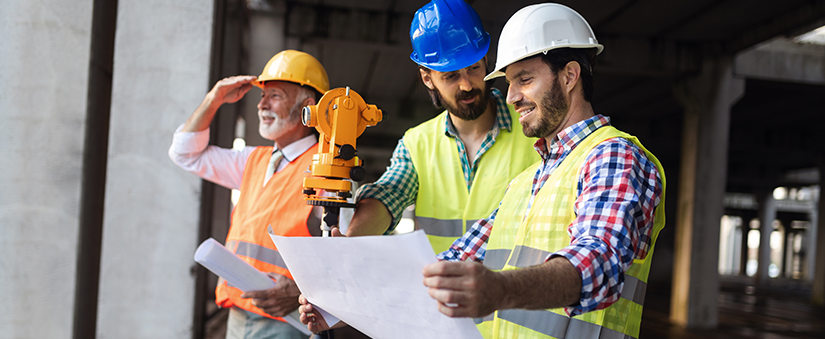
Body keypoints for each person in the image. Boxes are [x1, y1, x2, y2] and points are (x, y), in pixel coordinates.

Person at [422, 3, 666, 339]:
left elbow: (598, 264)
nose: (510, 97)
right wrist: (338, 308)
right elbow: (450, 264)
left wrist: (500, 290)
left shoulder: (613, 156)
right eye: (509, 83)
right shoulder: (526, 182)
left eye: (524, 80)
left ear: (569, 76)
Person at [299, 0, 539, 335]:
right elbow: (388, 195)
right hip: (442, 321)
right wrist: (347, 247)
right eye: (451, 75)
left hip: (516, 320)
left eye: (473, 68)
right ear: (427, 77)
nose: (468, 84)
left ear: (486, 59)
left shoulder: (535, 129)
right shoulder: (417, 142)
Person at [169, 50, 328, 339]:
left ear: (308, 106)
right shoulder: (254, 160)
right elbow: (184, 154)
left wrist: (302, 291)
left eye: (275, 95)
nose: (262, 104)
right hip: (239, 313)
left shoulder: (327, 167)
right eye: (262, 96)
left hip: (287, 321)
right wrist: (214, 97)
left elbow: (346, 251)